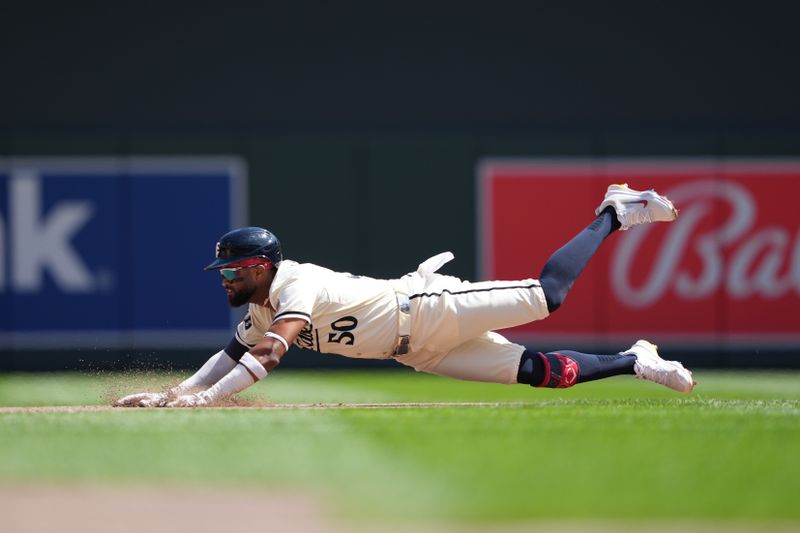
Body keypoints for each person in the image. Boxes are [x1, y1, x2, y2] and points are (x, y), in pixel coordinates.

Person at [115, 184, 695, 408]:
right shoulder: (260, 303)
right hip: (421, 352)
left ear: (261, 266)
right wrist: (176, 392)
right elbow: (233, 352)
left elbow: (268, 355)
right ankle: (634, 360)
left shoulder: (294, 283)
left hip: (426, 307)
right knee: (546, 374)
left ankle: (613, 212)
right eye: (223, 271)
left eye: (233, 270)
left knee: (549, 295)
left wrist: (207, 401)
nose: (225, 279)